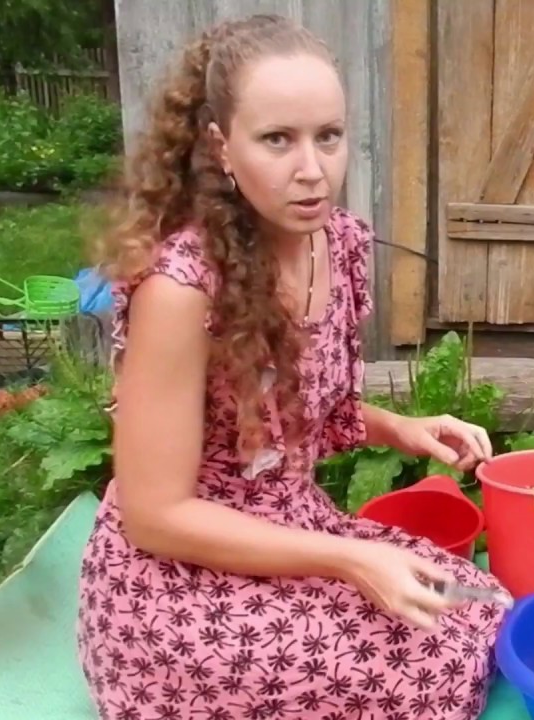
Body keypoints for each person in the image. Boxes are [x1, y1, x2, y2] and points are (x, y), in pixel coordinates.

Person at [77, 15, 508, 720]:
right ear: (221, 146)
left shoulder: (335, 243)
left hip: (292, 528)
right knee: (423, 666)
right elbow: (154, 517)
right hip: (178, 585)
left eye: (327, 137)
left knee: (470, 607)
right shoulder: (181, 290)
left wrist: (403, 427)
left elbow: (294, 419)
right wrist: (348, 559)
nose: (312, 169)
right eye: (278, 139)